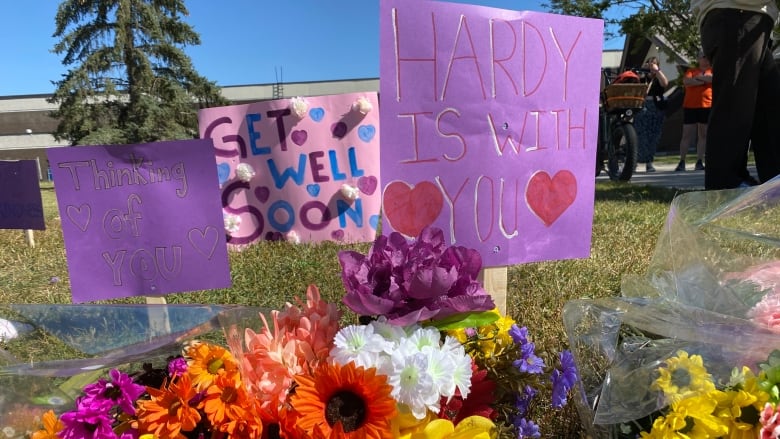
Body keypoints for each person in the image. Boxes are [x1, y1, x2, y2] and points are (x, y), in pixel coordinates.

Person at [690, 0, 780, 189]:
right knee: (734, 106)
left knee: (769, 108)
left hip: (752, 17)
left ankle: (773, 183)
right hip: (736, 13)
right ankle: (725, 186)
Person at [675, 51, 712, 172]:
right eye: (703, 57)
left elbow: (712, 79)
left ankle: (700, 160)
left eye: (707, 57)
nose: (705, 60)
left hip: (706, 106)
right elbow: (687, 81)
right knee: (686, 134)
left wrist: (698, 80)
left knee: (703, 134)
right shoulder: (691, 71)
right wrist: (702, 81)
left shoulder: (712, 70)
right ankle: (682, 161)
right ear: (698, 59)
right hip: (690, 106)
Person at [633, 57, 669, 172]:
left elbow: (665, 83)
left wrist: (657, 71)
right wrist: (643, 71)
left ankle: (649, 162)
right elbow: (635, 85)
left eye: (653, 63)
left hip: (656, 107)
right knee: (640, 135)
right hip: (642, 106)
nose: (651, 65)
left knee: (653, 136)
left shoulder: (658, 77)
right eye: (649, 63)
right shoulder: (642, 77)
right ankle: (634, 162)